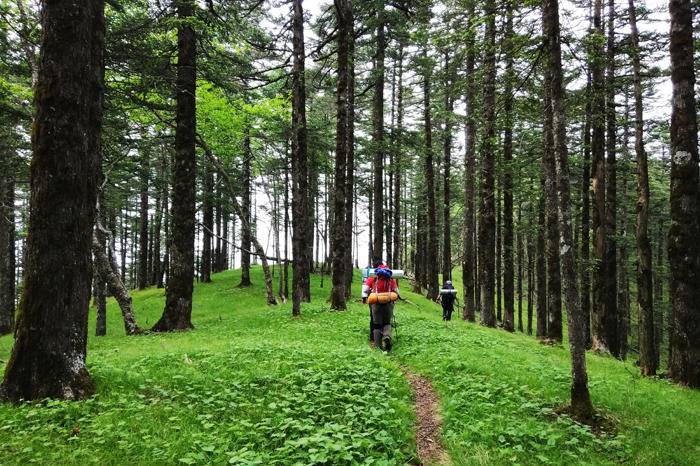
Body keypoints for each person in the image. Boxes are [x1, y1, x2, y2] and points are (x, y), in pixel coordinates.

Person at [362, 263, 399, 351]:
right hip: (388, 303)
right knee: (387, 323)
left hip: (376, 303)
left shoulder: (373, 277)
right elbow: (397, 291)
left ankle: (377, 345)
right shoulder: (391, 279)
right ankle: (387, 336)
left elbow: (365, 290)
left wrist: (369, 294)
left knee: (377, 324)